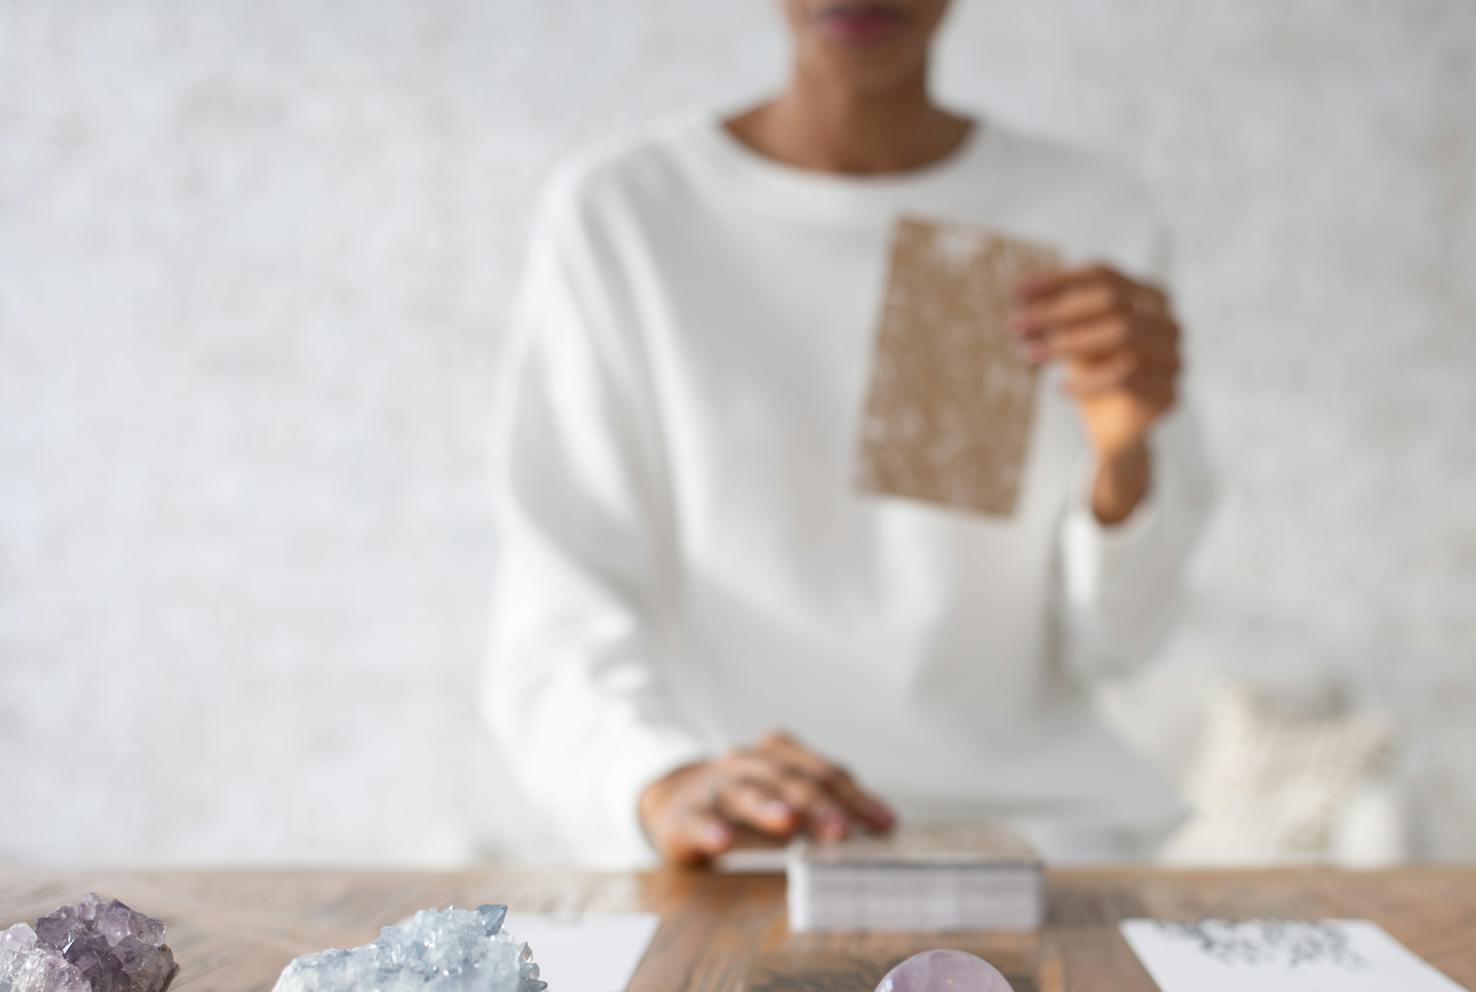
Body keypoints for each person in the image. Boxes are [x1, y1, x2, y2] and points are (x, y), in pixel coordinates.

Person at [482, 0, 1214, 867]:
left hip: (1044, 843)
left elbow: (1123, 644)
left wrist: (1122, 461)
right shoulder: (625, 219)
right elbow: (561, 603)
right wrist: (661, 780)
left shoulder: (1085, 212)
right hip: (747, 849)